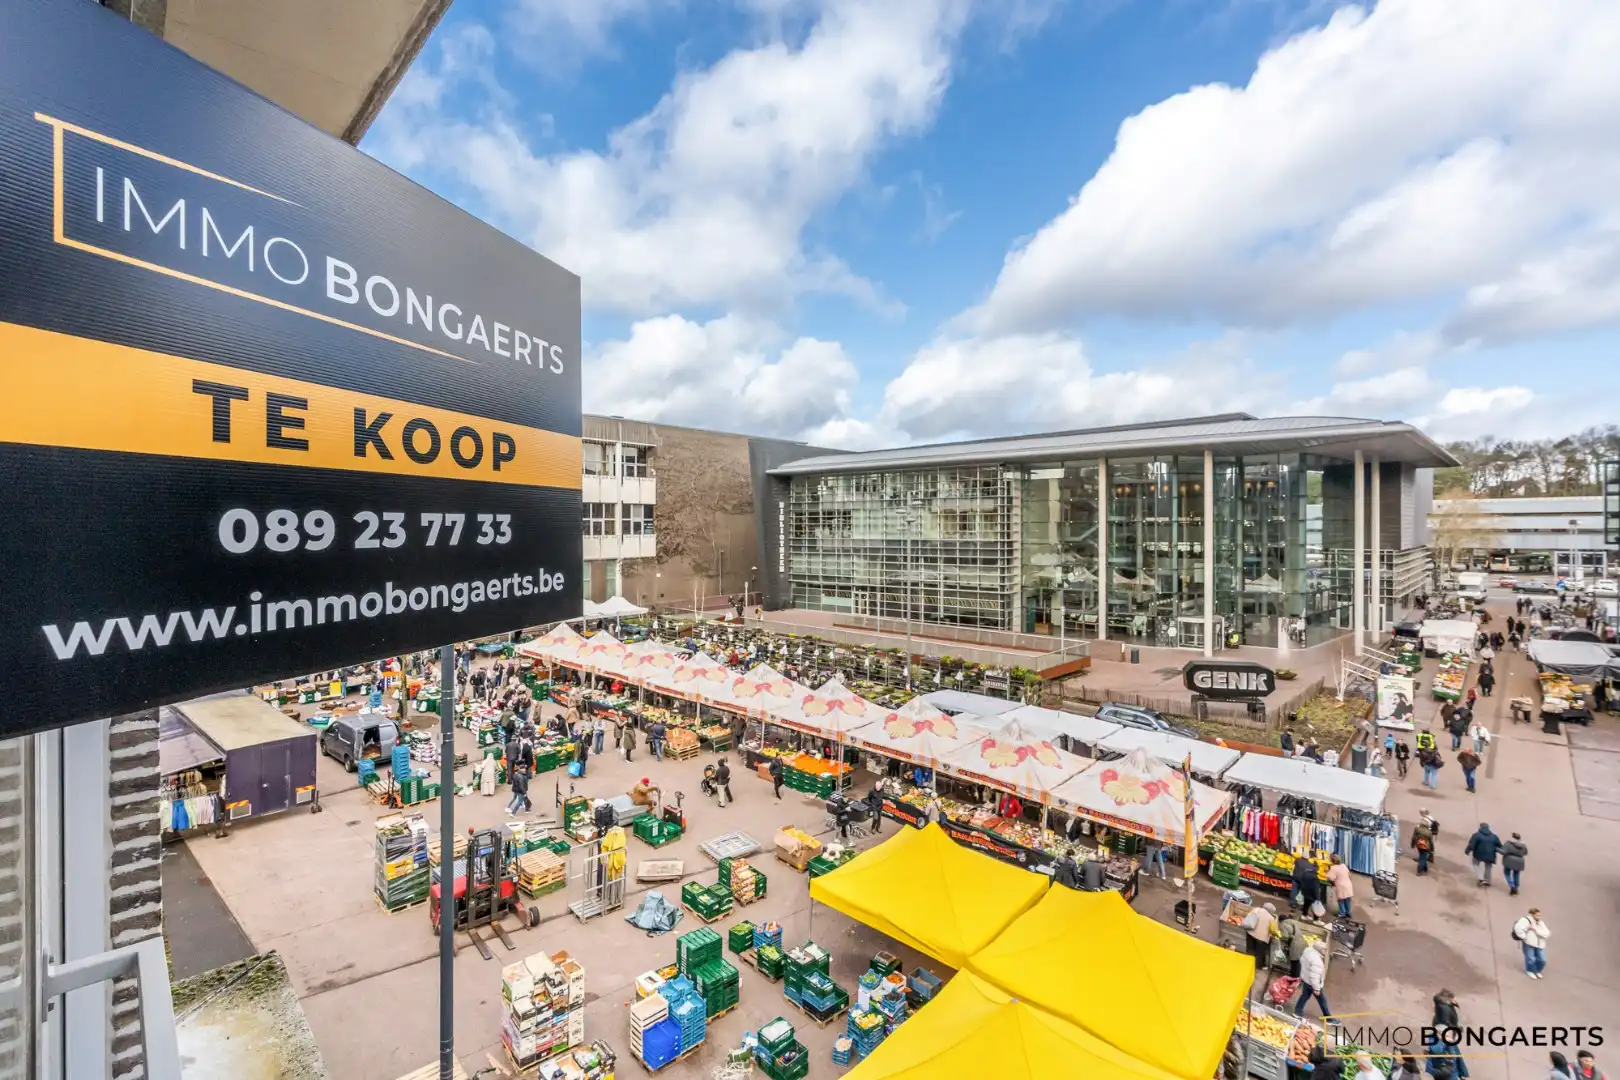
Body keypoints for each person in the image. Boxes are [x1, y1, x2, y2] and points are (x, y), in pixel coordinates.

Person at [1295, 940, 1331, 1020]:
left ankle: (1297, 1012)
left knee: (1304, 996)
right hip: (1313, 984)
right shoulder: (1316, 961)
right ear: (1319, 949)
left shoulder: (1308, 951)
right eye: (1324, 949)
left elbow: (1302, 961)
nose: (1326, 951)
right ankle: (1329, 1018)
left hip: (1306, 979)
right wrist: (1317, 989)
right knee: (1322, 1000)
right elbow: (1314, 976)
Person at [1513, 907, 1550, 978]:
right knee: (1531, 959)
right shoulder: (1525, 921)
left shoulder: (1540, 923)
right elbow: (1518, 929)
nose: (1539, 917)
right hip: (1529, 944)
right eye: (1538, 915)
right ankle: (1530, 970)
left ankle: (1537, 970)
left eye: (1540, 915)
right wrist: (1525, 938)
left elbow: (1546, 933)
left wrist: (1535, 930)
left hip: (1540, 945)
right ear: (1532, 915)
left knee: (1542, 960)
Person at [1241, 902, 1279, 969]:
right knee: (1259, 953)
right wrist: (1277, 934)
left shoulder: (1256, 910)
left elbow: (1249, 916)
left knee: (1250, 950)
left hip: (1250, 933)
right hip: (1261, 938)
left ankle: (1246, 964)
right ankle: (1255, 967)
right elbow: (1273, 930)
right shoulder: (1271, 918)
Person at [1464, 822, 1502, 886]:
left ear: (1480, 827)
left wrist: (1467, 851)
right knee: (1488, 867)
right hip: (1490, 855)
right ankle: (1487, 881)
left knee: (1475, 864)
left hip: (1478, 854)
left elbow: (1471, 845)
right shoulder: (1494, 836)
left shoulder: (1476, 835)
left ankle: (1481, 878)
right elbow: (1500, 845)